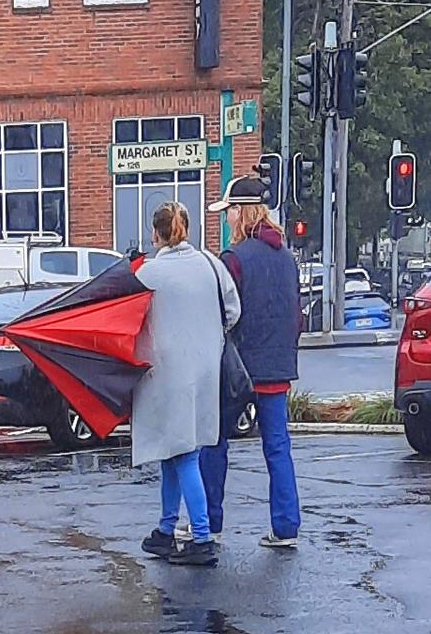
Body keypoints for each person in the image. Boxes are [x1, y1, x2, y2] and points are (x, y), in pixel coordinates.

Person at [134, 202, 240, 567]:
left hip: (165, 372)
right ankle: (165, 530)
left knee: (181, 453)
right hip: (205, 369)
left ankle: (201, 535)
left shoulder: (148, 273)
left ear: (156, 233)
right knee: (176, 450)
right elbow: (233, 312)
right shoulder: (213, 265)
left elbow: (131, 319)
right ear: (188, 229)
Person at [204, 174, 303, 548]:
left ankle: (210, 522)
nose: (227, 218)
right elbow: (294, 313)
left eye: (229, 211)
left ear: (243, 212)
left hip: (239, 369)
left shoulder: (234, 259)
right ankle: (286, 526)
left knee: (215, 442)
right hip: (277, 366)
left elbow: (223, 314)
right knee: (277, 446)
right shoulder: (287, 258)